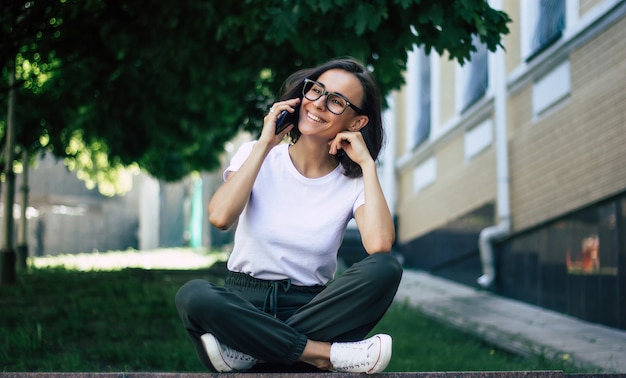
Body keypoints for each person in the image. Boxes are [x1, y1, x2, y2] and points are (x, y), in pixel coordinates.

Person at [175, 57, 403, 374]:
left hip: (313, 309)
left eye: (336, 101)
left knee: (386, 268)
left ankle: (250, 348)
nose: (319, 104)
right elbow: (220, 217)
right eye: (316, 91)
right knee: (194, 295)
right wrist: (265, 144)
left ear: (356, 123)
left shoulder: (354, 183)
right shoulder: (258, 153)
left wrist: (367, 165)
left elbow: (379, 246)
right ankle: (322, 354)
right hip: (245, 302)